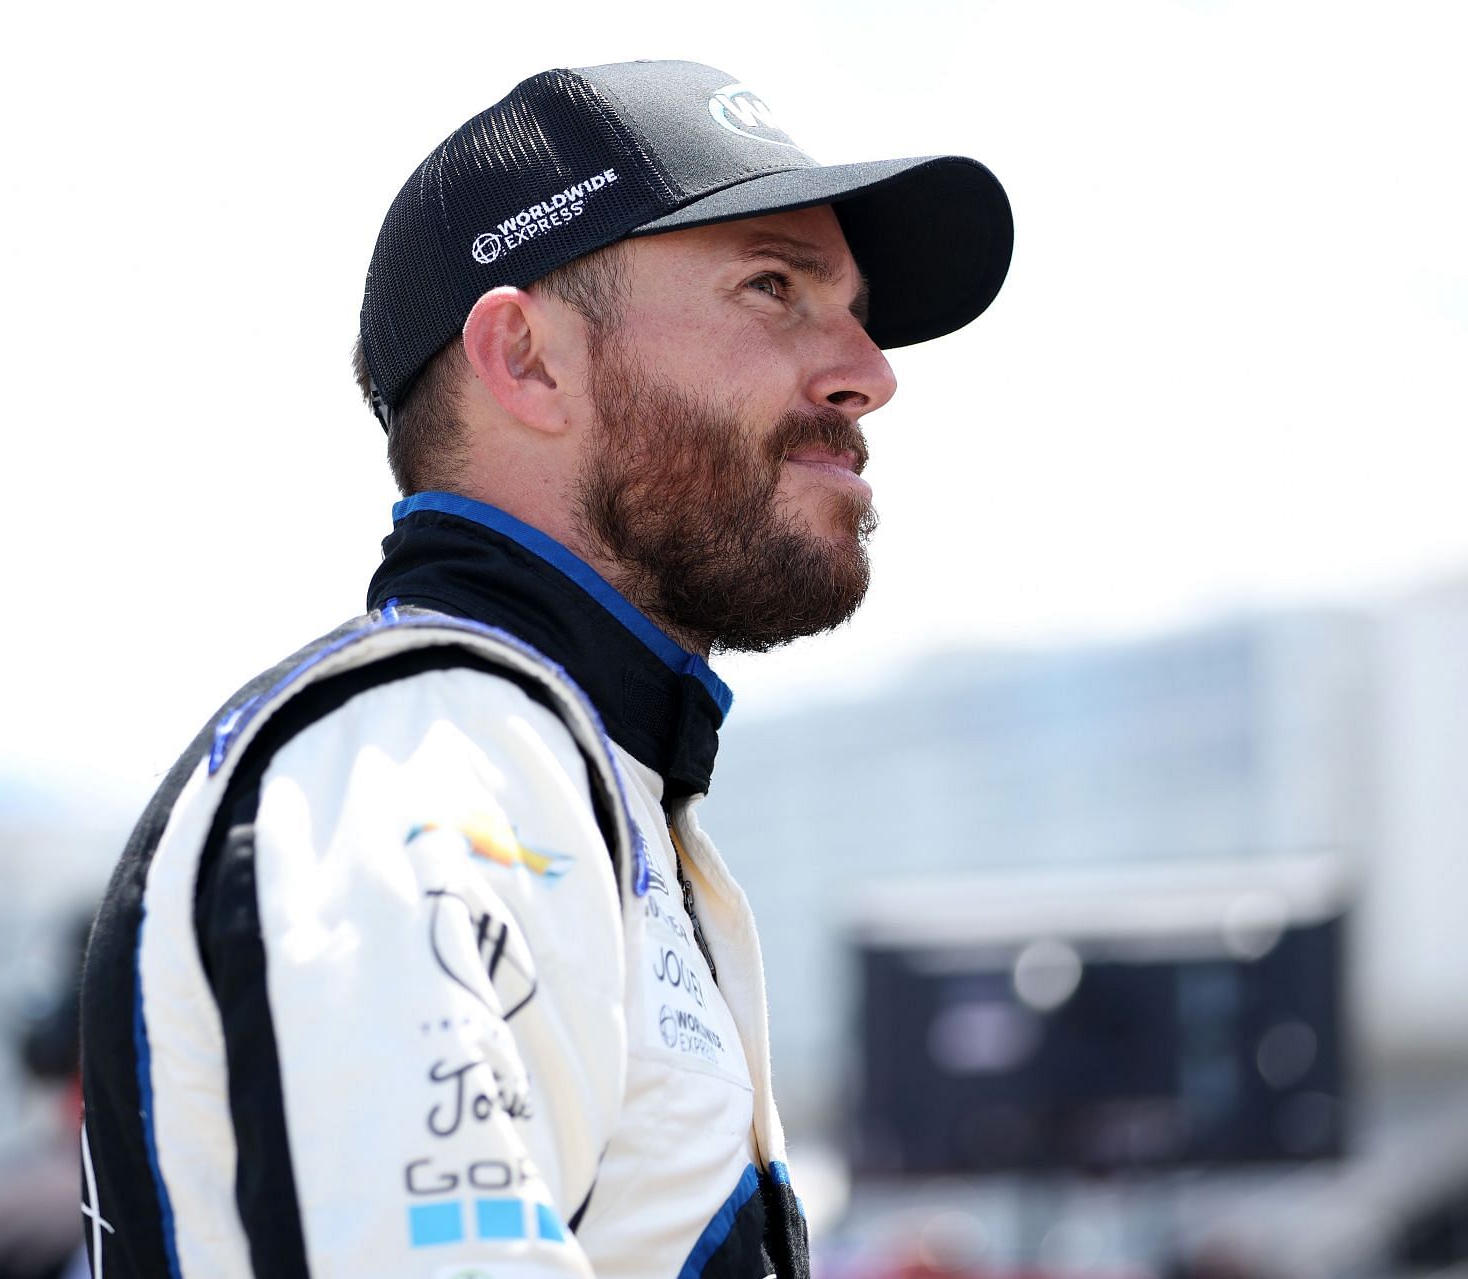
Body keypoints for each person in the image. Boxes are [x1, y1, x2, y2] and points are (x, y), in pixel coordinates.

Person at [78, 59, 1013, 1279]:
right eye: (774, 286)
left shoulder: (568, 773)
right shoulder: (418, 772)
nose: (868, 370)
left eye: (854, 307)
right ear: (526, 360)